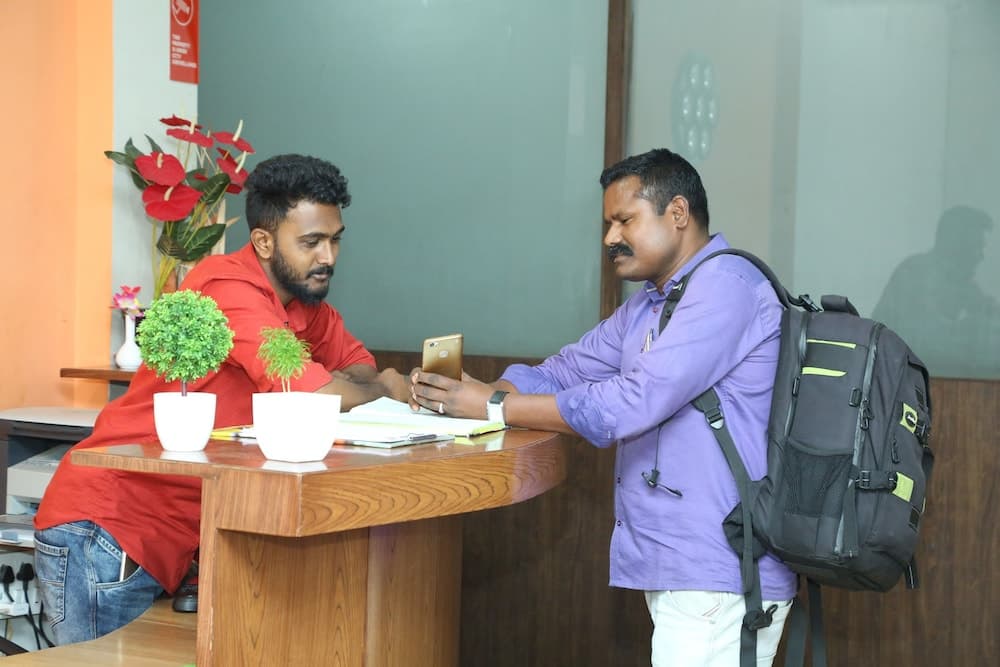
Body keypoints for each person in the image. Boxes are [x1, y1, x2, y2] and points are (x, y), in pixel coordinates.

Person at [410, 148, 796, 666]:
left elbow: (630, 403)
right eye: (607, 223)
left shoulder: (726, 289)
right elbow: (565, 370)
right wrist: (480, 392)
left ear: (677, 214)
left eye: (624, 220)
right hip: (678, 564)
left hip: (721, 568)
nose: (610, 237)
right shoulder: (650, 303)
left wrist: (496, 406)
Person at [33, 153, 412, 645]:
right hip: (108, 530)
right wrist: (385, 386)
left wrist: (359, 383)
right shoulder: (226, 286)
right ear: (263, 240)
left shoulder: (304, 301)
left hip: (174, 538)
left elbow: (353, 367)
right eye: (312, 242)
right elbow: (320, 391)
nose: (329, 257)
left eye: (335, 240)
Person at [873, 205, 1000, 377]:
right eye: (977, 246)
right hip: (903, 385)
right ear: (956, 244)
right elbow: (921, 343)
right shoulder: (914, 274)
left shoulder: (967, 285)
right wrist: (971, 328)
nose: (981, 256)